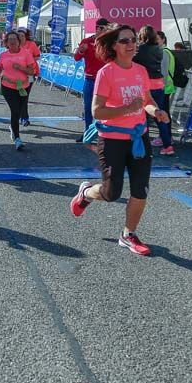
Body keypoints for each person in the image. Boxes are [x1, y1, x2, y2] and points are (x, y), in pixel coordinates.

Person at [72, 25, 170, 256]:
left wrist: (155, 111)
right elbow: (97, 111)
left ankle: (128, 234)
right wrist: (127, 107)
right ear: (114, 46)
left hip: (138, 137)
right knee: (111, 193)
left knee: (140, 189)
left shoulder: (140, 71)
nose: (131, 44)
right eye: (125, 41)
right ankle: (86, 192)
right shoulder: (106, 73)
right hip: (113, 139)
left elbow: (145, 100)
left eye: (133, 40)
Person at [133, 26, 174, 156]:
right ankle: (168, 145)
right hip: (159, 84)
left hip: (145, 85)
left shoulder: (139, 50)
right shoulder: (159, 49)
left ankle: (143, 147)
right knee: (160, 115)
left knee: (142, 118)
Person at [0, 31, 35, 150]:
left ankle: (13, 127)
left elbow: (31, 71)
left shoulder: (26, 53)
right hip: (7, 87)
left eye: (14, 39)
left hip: (23, 87)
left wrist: (20, 68)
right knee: (15, 110)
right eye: (9, 39)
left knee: (20, 110)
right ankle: (17, 139)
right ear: (6, 42)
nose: (12, 41)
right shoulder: (3, 55)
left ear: (19, 42)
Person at [74, 18, 109, 143]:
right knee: (88, 108)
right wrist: (81, 50)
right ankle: (88, 134)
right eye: (105, 29)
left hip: (106, 82)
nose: (107, 31)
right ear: (98, 28)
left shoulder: (110, 42)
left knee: (106, 108)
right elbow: (77, 58)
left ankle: (104, 134)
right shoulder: (87, 41)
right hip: (90, 80)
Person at [16, 29, 41, 127]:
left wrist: (28, 60)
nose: (21, 37)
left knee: (24, 96)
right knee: (18, 97)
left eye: (22, 35)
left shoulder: (31, 44)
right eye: (19, 35)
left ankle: (25, 118)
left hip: (30, 73)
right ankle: (19, 116)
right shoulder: (15, 45)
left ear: (25, 36)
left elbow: (38, 56)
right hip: (17, 74)